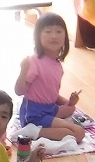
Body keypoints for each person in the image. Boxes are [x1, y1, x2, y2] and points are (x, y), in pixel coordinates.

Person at [14, 12, 84, 144]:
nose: (54, 36)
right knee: (79, 133)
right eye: (48, 31)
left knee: (71, 108)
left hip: (49, 108)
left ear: (65, 37)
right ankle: (33, 131)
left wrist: (70, 102)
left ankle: (42, 127)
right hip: (35, 114)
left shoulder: (56, 64)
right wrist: (23, 70)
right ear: (38, 36)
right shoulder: (34, 61)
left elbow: (50, 93)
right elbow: (19, 91)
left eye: (59, 31)